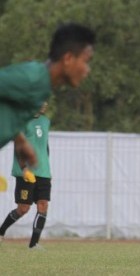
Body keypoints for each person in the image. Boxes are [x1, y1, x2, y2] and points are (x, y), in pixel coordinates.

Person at [0, 22, 96, 170]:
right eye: (86, 61)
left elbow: (8, 110)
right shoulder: (32, 78)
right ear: (68, 58)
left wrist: (20, 140)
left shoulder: (42, 86)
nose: (87, 70)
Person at [0, 103, 51, 248]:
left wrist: (47, 167)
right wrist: (24, 169)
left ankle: (33, 244)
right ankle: (1, 231)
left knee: (43, 205)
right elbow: (18, 146)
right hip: (26, 172)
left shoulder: (46, 121)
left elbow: (45, 145)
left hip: (43, 172)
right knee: (23, 208)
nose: (44, 104)